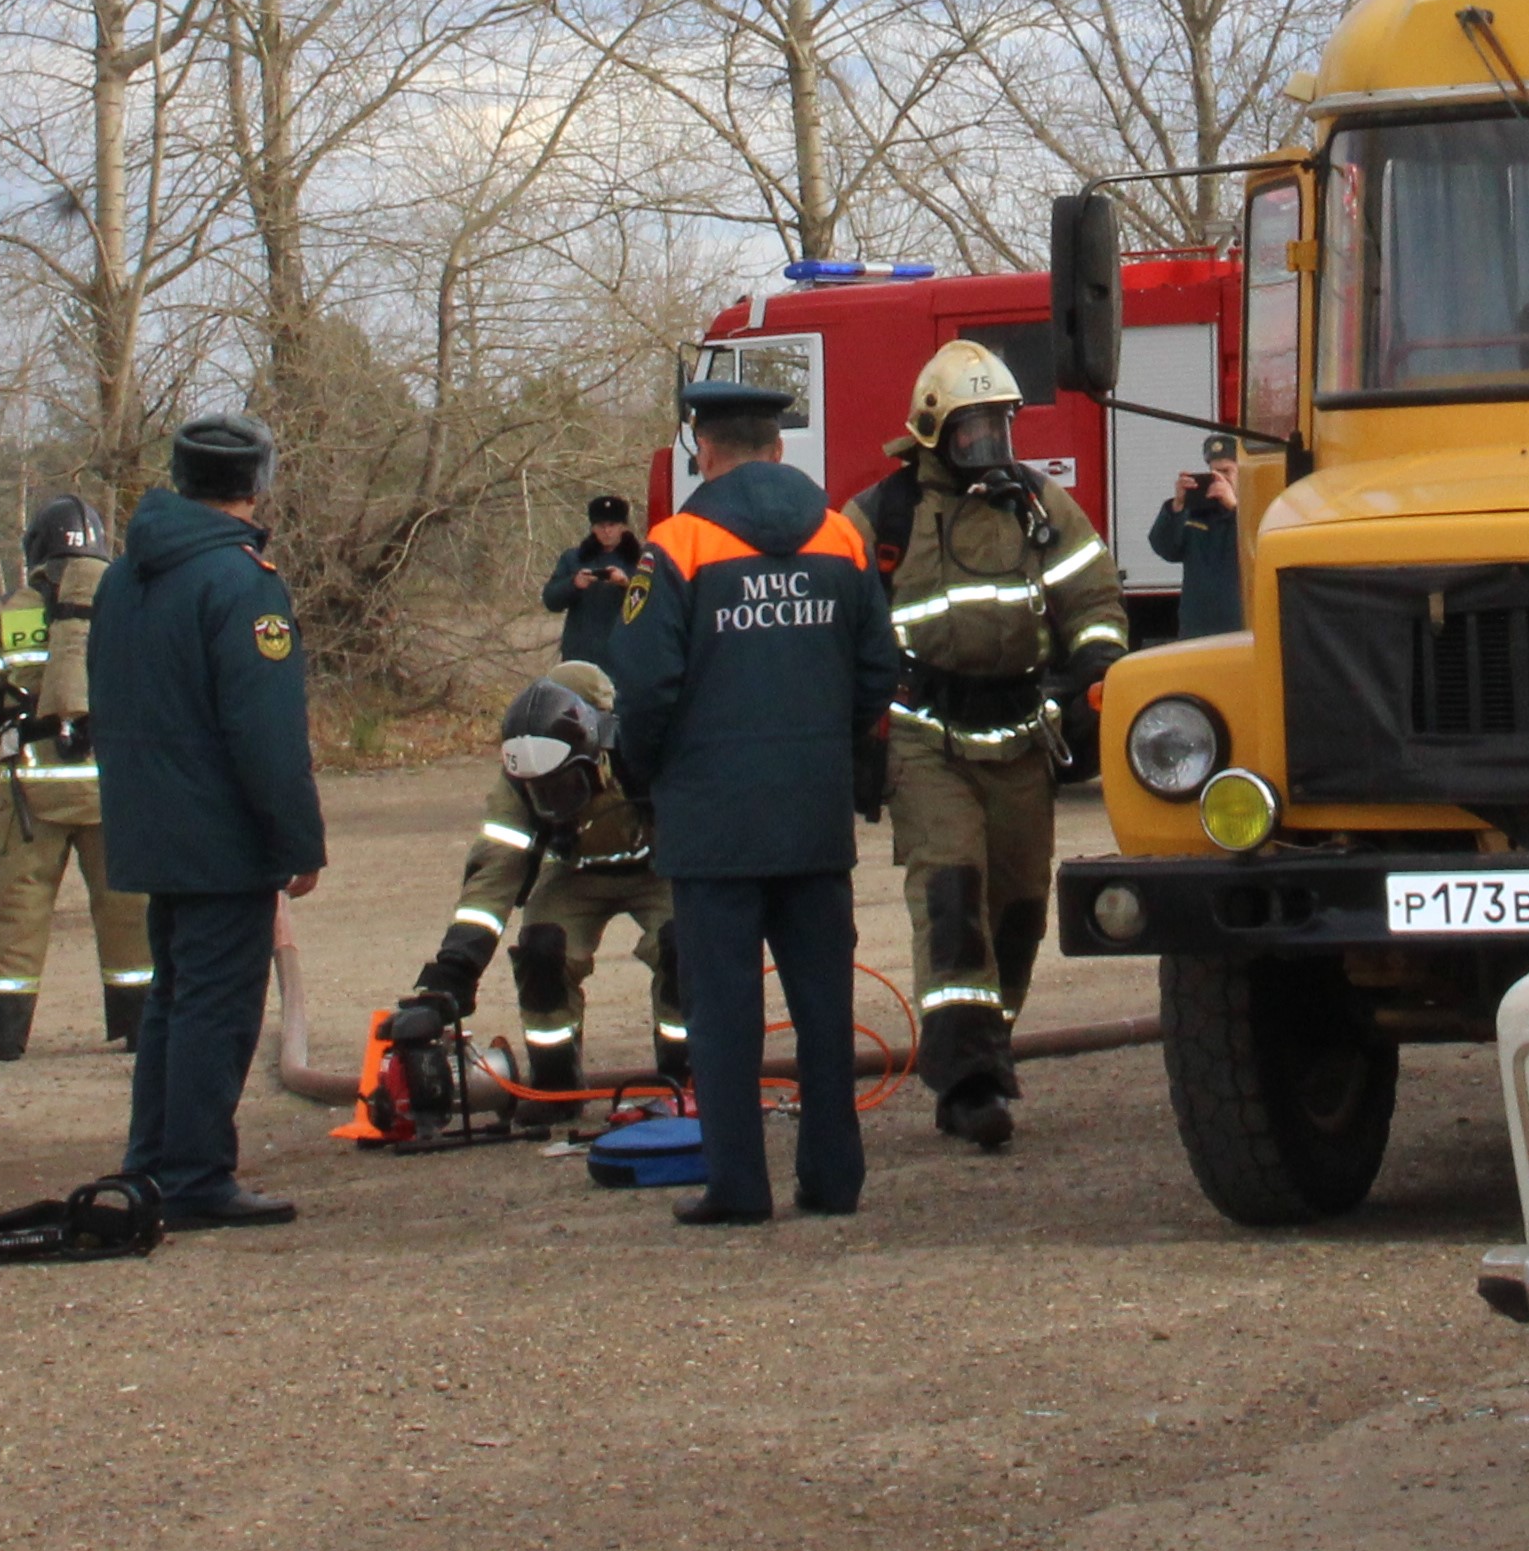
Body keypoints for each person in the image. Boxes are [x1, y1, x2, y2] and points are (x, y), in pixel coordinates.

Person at [613, 373, 901, 1226]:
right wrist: (835, 755)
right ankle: (833, 1178)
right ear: (779, 449)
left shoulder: (676, 545)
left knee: (724, 1010)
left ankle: (738, 1186)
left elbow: (646, 690)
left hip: (712, 821)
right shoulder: (841, 537)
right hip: (812, 814)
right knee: (824, 1005)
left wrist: (647, 777)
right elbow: (878, 672)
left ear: (703, 450)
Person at [858, 339, 1132, 1150]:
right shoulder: (881, 517)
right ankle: (966, 1078)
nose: (988, 445)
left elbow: (1093, 597)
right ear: (932, 431)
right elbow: (844, 630)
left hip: (1020, 736)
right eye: (971, 429)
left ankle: (989, 1038)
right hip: (924, 737)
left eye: (998, 426)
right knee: (950, 894)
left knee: (1017, 908)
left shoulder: (1040, 507)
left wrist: (1096, 667)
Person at [92, 412, 323, 1232]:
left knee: (173, 999)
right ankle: (194, 1175)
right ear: (256, 483)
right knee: (218, 1007)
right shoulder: (239, 580)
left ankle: (152, 1162)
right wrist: (296, 838)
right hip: (220, 829)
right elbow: (263, 728)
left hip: (146, 818)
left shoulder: (123, 576)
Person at [393, 661, 684, 1118]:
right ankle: (555, 1082)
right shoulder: (519, 784)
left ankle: (682, 1079)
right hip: (575, 872)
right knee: (542, 950)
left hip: (658, 867)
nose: (551, 797)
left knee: (683, 946)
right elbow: (495, 873)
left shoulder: (643, 749)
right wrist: (454, 970)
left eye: (565, 783)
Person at [0, 495, 154, 1063]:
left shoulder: (12, 611)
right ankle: (140, 1024)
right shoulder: (131, 601)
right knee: (128, 907)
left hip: (34, 790)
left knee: (15, 911)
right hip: (114, 787)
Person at [543, 496, 656, 678]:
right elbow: (551, 601)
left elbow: (655, 605)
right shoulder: (574, 559)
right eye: (601, 526)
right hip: (581, 657)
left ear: (623, 526)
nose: (607, 531)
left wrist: (626, 585)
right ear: (593, 528)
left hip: (625, 656)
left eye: (612, 525)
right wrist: (574, 584)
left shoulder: (641, 560)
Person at [1150, 442, 1246, 641]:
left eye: (1226, 471)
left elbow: (1257, 546)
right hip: (1197, 630)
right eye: (1213, 472)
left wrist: (1233, 507)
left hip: (1241, 628)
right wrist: (1177, 507)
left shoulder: (1257, 510)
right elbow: (1166, 549)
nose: (1220, 479)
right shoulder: (1196, 513)